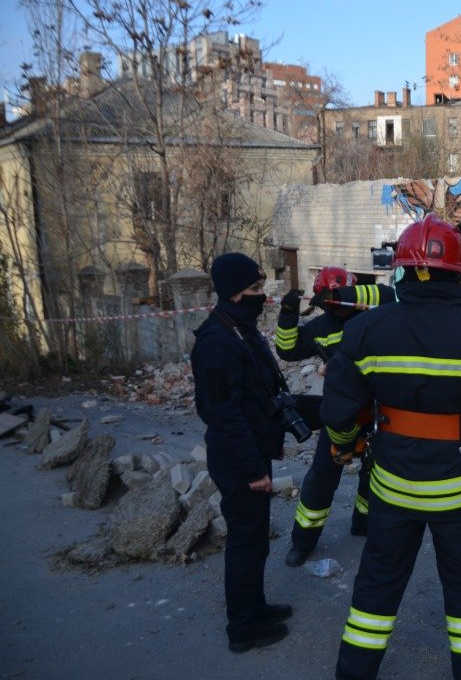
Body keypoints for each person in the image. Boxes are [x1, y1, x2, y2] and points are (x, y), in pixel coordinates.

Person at [321, 214, 461, 680]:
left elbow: (339, 414)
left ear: (400, 271)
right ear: (459, 273)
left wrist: (345, 446)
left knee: (376, 589)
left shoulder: (365, 331)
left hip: (392, 488)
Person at [190, 252, 293, 653]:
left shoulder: (239, 329)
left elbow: (256, 393)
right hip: (238, 461)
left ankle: (256, 606)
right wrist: (253, 469)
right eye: (254, 289)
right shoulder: (217, 341)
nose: (261, 296)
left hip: (251, 452)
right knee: (246, 543)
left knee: (256, 540)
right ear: (234, 293)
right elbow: (223, 414)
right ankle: (243, 629)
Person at [275, 267, 396, 566]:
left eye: (336, 299)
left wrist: (344, 295)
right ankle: (303, 541)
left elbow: (388, 293)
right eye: (327, 300)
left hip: (378, 408)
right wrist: (288, 313)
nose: (334, 306)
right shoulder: (320, 328)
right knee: (322, 477)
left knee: (375, 471)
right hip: (341, 411)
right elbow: (287, 349)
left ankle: (363, 522)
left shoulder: (374, 314)